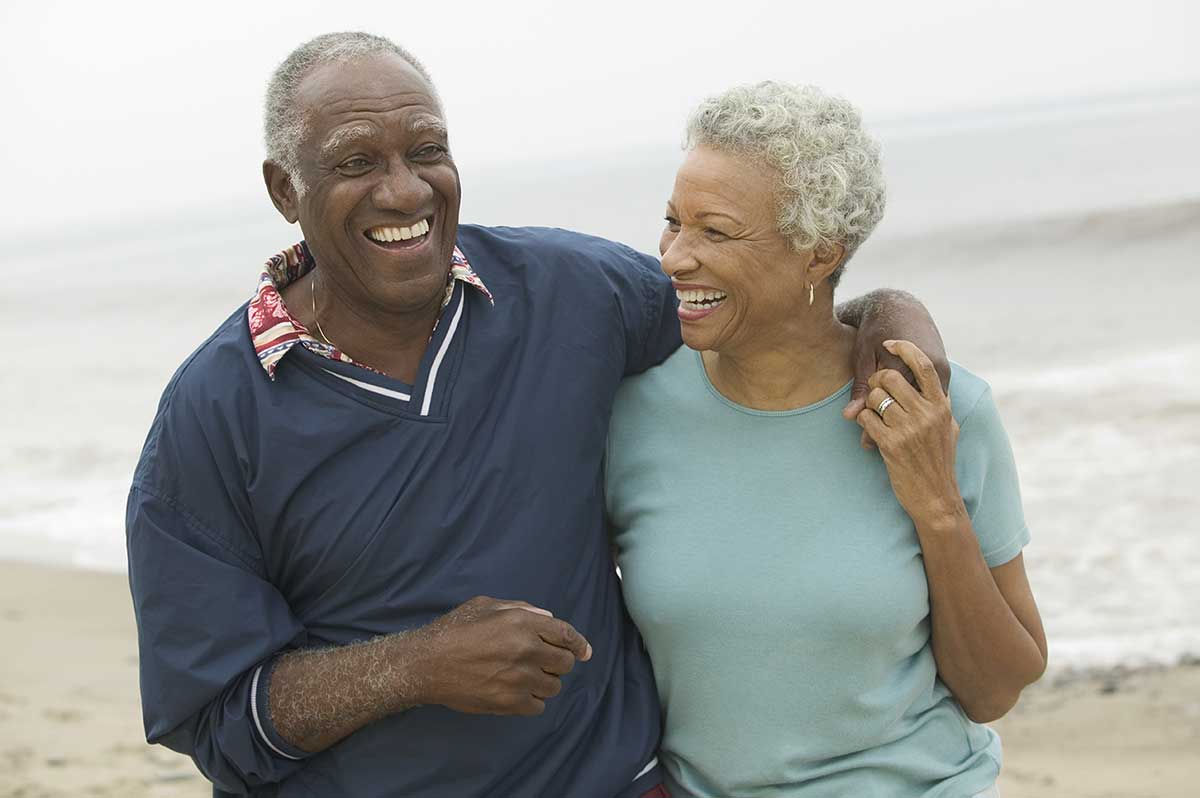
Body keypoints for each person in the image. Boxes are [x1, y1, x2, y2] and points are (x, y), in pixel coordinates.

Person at [126, 34, 949, 798]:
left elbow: (758, 311)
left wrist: (892, 316)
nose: (404, 189)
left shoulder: (571, 291)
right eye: (354, 162)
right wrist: (415, 667)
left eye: (427, 151)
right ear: (284, 190)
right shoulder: (213, 412)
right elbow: (212, 716)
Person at [606, 82, 1047, 798]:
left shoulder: (941, 407)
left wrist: (936, 504)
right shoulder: (631, 413)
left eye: (715, 231)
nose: (674, 258)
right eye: (671, 222)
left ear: (818, 255)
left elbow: (995, 690)